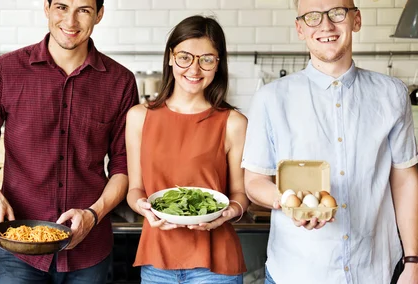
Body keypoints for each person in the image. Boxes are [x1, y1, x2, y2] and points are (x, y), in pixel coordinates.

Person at [242, 0, 418, 283]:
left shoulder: (392, 94)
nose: (325, 25)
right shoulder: (271, 98)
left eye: (337, 13)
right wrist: (289, 202)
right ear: (300, 28)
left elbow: (405, 180)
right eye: (312, 17)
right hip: (296, 271)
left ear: (356, 20)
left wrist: (413, 260)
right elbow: (253, 181)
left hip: (375, 269)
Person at [0, 0, 138, 282]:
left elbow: (123, 166)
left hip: (89, 251)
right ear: (46, 8)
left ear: (100, 14)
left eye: (83, 10)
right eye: (61, 7)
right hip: (18, 244)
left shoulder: (121, 82)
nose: (70, 21)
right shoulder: (7, 70)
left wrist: (93, 215)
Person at [125, 15, 249, 284]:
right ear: (170, 58)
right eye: (185, 57)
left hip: (215, 264)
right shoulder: (138, 117)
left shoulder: (233, 123)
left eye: (206, 59)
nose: (194, 69)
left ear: (218, 64)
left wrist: (229, 212)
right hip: (157, 261)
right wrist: (143, 207)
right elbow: (135, 189)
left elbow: (240, 194)